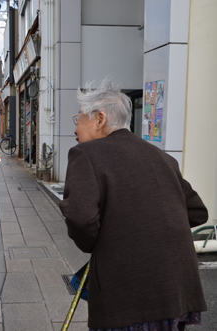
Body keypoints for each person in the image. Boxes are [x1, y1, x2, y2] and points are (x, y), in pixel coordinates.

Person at [59, 80, 208, 331]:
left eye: (79, 117)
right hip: (177, 290)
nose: (75, 126)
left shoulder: (86, 154)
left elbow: (81, 218)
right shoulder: (162, 157)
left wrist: (101, 244)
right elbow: (196, 211)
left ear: (100, 119)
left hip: (129, 293)